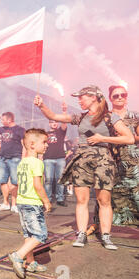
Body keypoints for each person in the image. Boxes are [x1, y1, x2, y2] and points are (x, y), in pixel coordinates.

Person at [34, 85, 134, 250]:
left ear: (93, 97)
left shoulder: (110, 117)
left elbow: (129, 138)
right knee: (81, 200)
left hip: (103, 159)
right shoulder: (80, 117)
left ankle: (106, 236)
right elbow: (53, 116)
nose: (79, 100)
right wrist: (42, 105)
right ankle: (81, 233)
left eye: (82, 97)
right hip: (82, 159)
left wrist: (103, 138)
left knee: (104, 200)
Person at [8, 129, 52, 279]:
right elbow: (38, 185)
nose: (47, 145)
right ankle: (18, 256)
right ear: (32, 144)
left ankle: (31, 262)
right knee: (40, 235)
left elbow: (20, 182)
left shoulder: (23, 162)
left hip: (22, 201)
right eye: (44, 142)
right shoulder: (37, 163)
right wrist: (46, 201)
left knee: (29, 235)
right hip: (33, 203)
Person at [106, 85, 139, 225]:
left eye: (123, 95)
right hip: (111, 159)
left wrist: (127, 136)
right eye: (116, 95)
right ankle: (111, 224)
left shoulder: (135, 115)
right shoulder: (105, 116)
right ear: (110, 98)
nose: (120, 97)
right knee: (113, 192)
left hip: (133, 161)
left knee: (135, 191)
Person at [0, 112, 25, 214]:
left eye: (3, 120)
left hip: (15, 158)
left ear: (9, 120)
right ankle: (6, 203)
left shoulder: (19, 130)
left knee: (15, 182)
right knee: (2, 181)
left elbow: (24, 144)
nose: (1, 122)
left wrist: (23, 158)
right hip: (3, 158)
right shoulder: (2, 129)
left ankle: (14, 204)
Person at [43, 103, 68, 207]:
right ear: (49, 123)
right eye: (52, 122)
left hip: (60, 159)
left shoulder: (61, 132)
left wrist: (64, 111)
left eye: (55, 122)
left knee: (60, 179)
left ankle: (60, 198)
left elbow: (65, 122)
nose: (54, 123)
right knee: (48, 180)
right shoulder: (44, 134)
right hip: (48, 159)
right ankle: (47, 199)